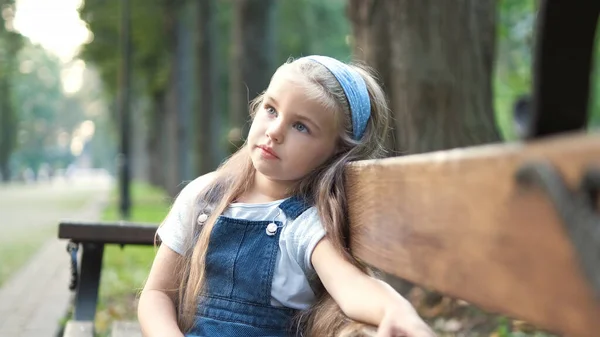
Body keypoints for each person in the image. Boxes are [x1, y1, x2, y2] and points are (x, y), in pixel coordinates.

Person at [138, 55, 435, 337]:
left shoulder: (303, 225)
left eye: (301, 126)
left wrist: (396, 309)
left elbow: (351, 286)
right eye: (271, 109)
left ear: (336, 152)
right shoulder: (204, 198)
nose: (275, 131)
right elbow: (157, 293)